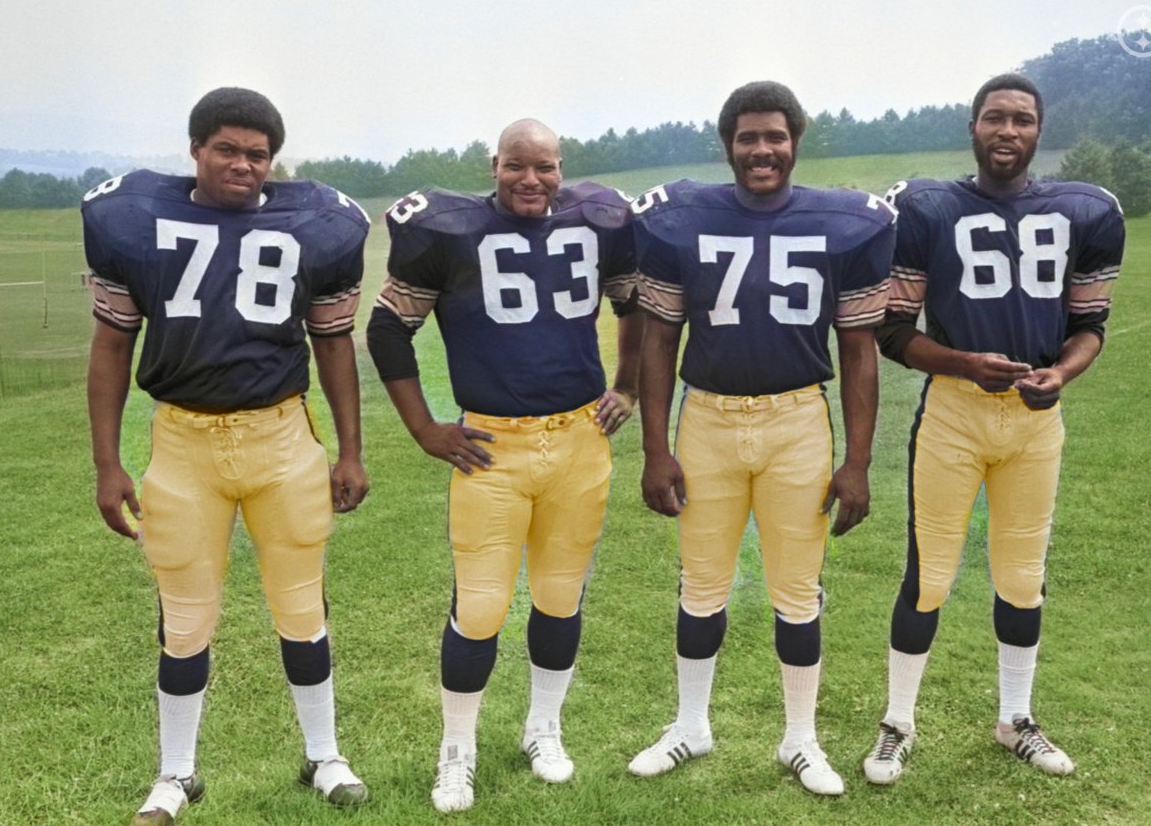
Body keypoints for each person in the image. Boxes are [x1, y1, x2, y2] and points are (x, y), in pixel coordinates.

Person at [84, 87, 371, 825]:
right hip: (182, 440)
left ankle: (325, 754)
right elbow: (113, 343)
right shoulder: (134, 220)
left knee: (302, 606)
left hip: (281, 437)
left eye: (257, 153)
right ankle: (176, 774)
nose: (243, 164)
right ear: (195, 149)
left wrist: (350, 449)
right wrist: (106, 462)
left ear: (273, 159)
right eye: (227, 149)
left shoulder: (317, 223)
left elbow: (333, 343)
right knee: (184, 618)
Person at [628, 81, 895, 796]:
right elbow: (657, 338)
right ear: (728, 145)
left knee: (797, 589)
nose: (761, 150)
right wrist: (656, 447)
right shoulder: (681, 218)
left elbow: (860, 350)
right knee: (702, 583)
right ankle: (690, 723)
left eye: (774, 136)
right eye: (747, 138)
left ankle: (800, 738)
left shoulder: (846, 222)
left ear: (795, 142)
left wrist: (858, 461)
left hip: (797, 419)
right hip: (707, 417)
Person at [367, 119, 641, 813]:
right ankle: (456, 749)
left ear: (561, 166)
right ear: (494, 164)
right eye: (517, 165)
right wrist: (425, 426)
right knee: (482, 605)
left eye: (545, 166)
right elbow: (385, 327)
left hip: (578, 440)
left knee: (559, 596)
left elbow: (636, 302)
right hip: (493, 446)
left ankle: (543, 727)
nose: (531, 179)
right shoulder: (449, 231)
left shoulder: (598, 218)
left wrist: (628, 383)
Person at [861, 73, 1125, 785]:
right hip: (953, 410)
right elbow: (892, 331)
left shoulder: (1084, 209)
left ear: (1039, 132)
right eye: (994, 118)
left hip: (1036, 423)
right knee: (930, 575)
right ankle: (898, 721)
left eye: (1022, 119)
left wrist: (1060, 375)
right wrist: (964, 362)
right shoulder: (928, 207)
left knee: (1022, 574)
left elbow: (1090, 326)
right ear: (972, 128)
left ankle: (1015, 718)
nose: (1008, 130)